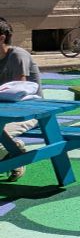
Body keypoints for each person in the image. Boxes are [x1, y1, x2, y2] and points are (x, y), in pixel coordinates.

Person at [0, 19, 42, 181]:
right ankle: (13, 153)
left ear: (2, 38)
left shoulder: (18, 55)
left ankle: (15, 151)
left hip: (28, 112)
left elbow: (19, 89)